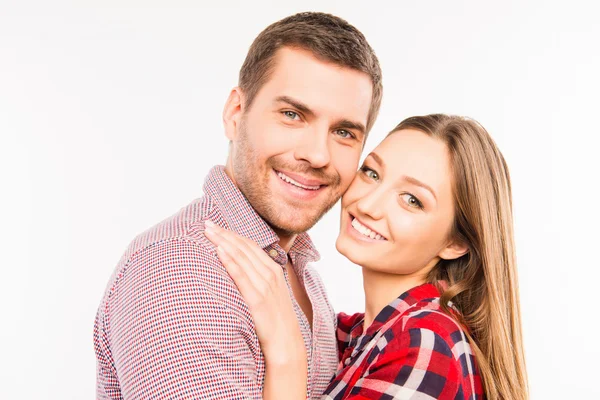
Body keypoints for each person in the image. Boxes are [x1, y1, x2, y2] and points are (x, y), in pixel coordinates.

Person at [93, 12, 382, 399]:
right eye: (292, 115)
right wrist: (287, 359)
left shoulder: (298, 269)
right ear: (235, 114)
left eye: (344, 132)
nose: (317, 155)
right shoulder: (181, 273)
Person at [205, 114, 529, 400]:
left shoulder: (426, 344)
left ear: (456, 243)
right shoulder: (359, 337)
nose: (368, 205)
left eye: (411, 200)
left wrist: (287, 354)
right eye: (372, 173)